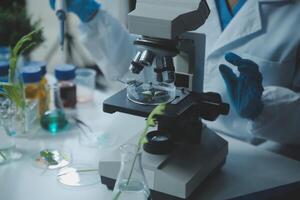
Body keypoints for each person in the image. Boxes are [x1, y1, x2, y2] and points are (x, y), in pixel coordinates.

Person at [49, 0, 300, 145]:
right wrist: (93, 17)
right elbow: (136, 63)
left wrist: (266, 108)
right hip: (174, 131)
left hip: (256, 159)